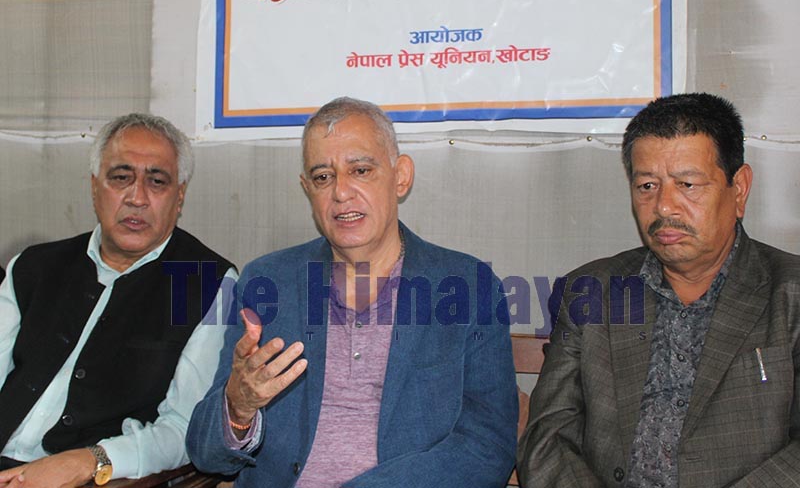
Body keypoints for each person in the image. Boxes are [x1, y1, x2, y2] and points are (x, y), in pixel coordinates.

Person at [187, 97, 518, 487]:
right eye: (323, 177)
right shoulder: (267, 284)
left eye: (360, 170)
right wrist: (238, 407)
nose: (341, 192)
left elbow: (488, 447)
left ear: (401, 177)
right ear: (307, 189)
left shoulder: (467, 287)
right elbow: (206, 454)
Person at [517, 93, 800, 487]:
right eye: (647, 185)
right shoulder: (592, 291)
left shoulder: (790, 295)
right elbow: (547, 437)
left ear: (739, 189)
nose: (665, 206)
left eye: (687, 184)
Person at [0, 114, 235, 487]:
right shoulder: (32, 266)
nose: (137, 197)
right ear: (95, 187)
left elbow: (184, 430)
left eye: (157, 181)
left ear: (180, 197)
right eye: (120, 177)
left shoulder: (208, 282)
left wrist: (89, 461)